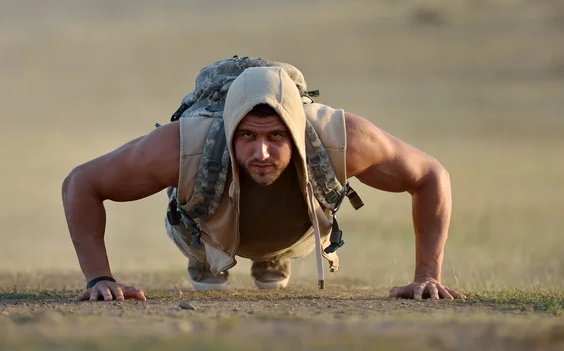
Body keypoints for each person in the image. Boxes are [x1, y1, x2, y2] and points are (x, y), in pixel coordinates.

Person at [62, 61, 464, 302]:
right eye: (248, 136)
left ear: (295, 129)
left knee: (285, 233)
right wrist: (100, 279)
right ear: (229, 127)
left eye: (276, 136)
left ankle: (274, 256)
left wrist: (427, 275)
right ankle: (205, 260)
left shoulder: (343, 138)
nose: (262, 153)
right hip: (201, 231)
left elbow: (431, 175)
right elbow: (82, 183)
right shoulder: (182, 145)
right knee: (203, 241)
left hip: (298, 233)